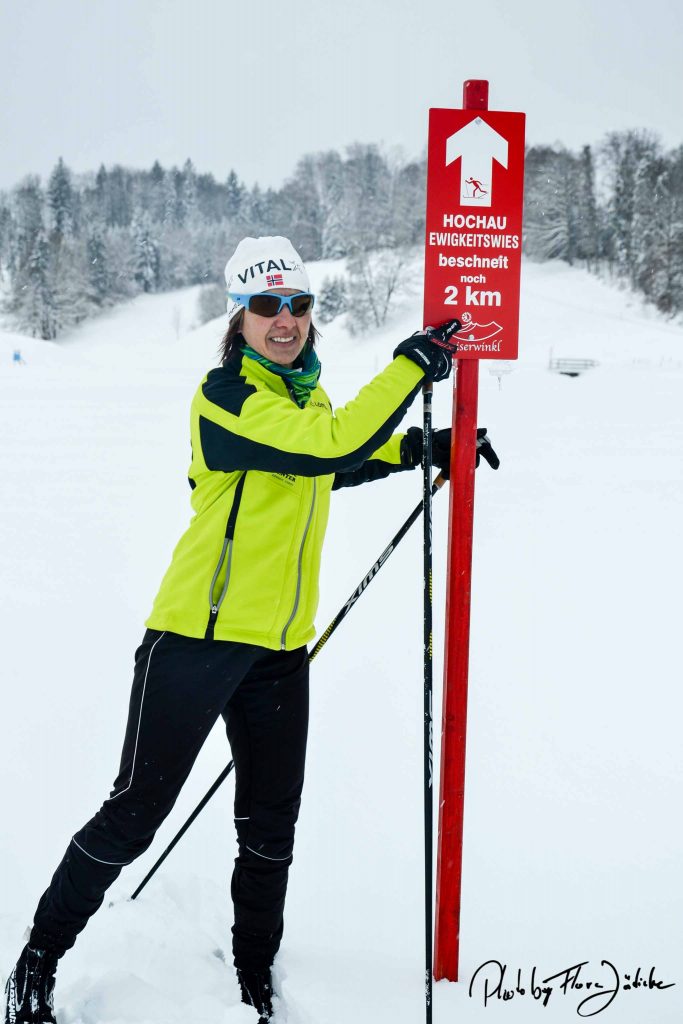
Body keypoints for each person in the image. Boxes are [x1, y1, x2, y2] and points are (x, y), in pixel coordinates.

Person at [3, 235, 498, 1024]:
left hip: (278, 649)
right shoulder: (226, 398)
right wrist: (409, 366)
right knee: (134, 811)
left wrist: (419, 447)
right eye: (265, 306)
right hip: (194, 642)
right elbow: (320, 450)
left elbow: (326, 464)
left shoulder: (303, 398)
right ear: (236, 318)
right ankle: (37, 961)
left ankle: (253, 972)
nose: (284, 320)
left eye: (297, 305)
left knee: (270, 827)